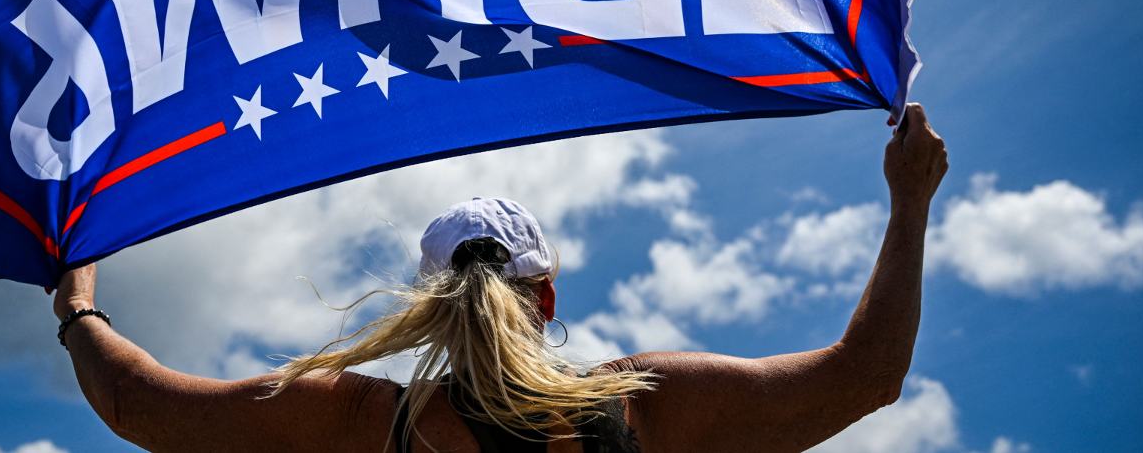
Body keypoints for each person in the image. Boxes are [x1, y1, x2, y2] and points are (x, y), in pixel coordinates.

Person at [52, 103, 948, 452]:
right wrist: (909, 202)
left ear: (433, 313)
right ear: (547, 294)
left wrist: (77, 301)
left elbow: (142, 405)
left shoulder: (365, 420)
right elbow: (867, 376)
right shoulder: (641, 403)